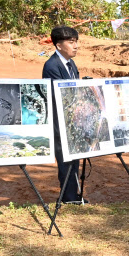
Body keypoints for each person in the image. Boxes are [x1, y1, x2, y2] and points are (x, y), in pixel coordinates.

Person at [42, 26, 84, 204]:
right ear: (58, 46)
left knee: (74, 160)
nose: (76, 46)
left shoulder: (71, 64)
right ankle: (68, 199)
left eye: (76, 42)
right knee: (66, 162)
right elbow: (61, 95)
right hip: (60, 122)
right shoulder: (51, 66)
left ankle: (74, 196)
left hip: (73, 121)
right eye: (71, 42)